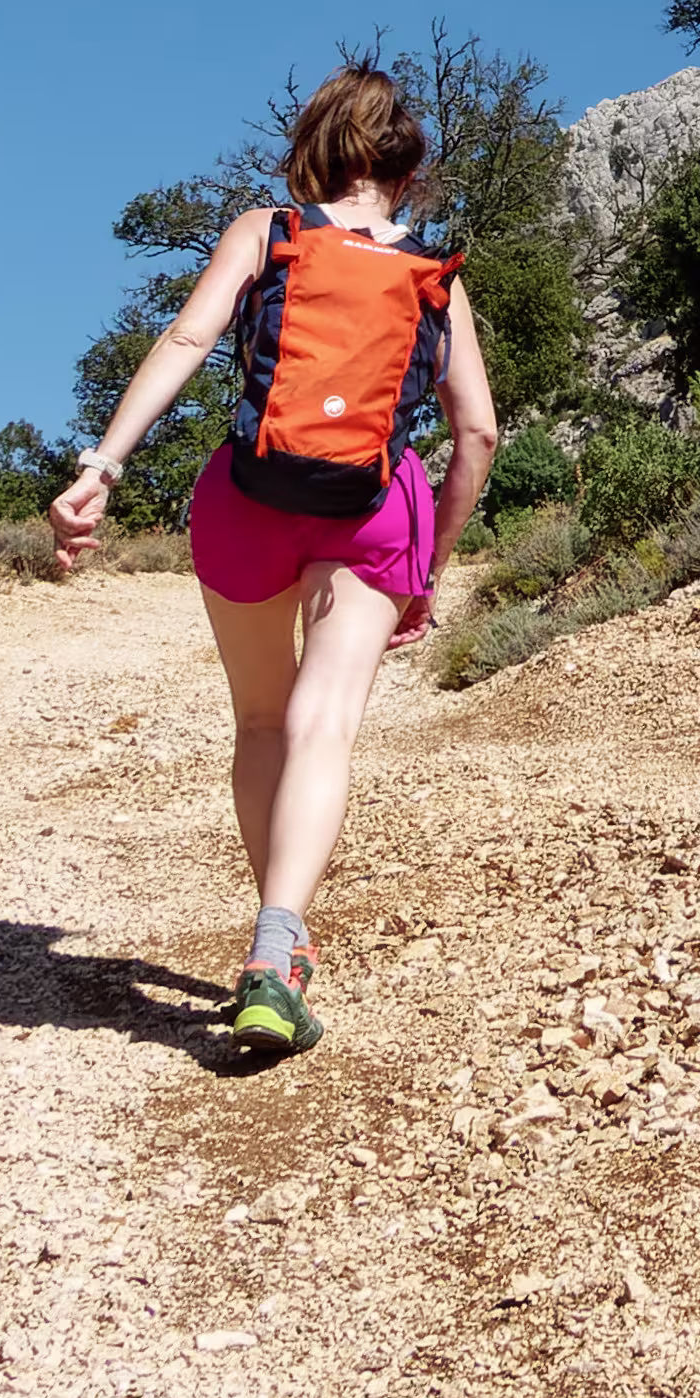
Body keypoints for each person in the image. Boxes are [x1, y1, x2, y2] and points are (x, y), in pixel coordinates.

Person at [51, 62, 501, 1057]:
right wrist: (426, 567)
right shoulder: (435, 275)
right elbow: (477, 438)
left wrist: (102, 466)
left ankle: (271, 949)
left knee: (262, 720)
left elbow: (186, 335)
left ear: (317, 152)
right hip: (374, 513)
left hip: (245, 502)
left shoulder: (269, 231)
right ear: (407, 169)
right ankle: (276, 951)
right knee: (322, 727)